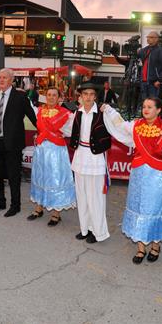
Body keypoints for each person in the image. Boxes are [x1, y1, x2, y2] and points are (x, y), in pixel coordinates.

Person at [102, 96, 162, 263]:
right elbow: (119, 124)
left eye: (149, 107)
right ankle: (141, 248)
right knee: (139, 206)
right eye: (144, 106)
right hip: (139, 174)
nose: (145, 109)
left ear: (158, 110)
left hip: (159, 176)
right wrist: (109, 111)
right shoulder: (135, 125)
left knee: (156, 209)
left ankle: (155, 246)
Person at [0, 68, 37, 217]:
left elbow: (32, 116)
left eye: (4, 78)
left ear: (11, 80)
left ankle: (15, 206)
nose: (1, 80)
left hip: (13, 143)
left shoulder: (20, 97)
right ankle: (0, 202)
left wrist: (43, 131)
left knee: (13, 176)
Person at [69, 82, 112, 243]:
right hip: (80, 157)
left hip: (96, 159)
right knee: (82, 196)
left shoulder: (103, 113)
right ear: (80, 96)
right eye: (84, 94)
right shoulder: (77, 113)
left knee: (96, 198)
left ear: (95, 97)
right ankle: (85, 229)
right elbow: (68, 129)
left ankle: (98, 232)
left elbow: (117, 126)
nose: (87, 97)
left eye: (91, 94)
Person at [27, 87, 76, 226]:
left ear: (60, 98)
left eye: (54, 95)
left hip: (56, 150)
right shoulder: (40, 111)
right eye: (49, 95)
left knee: (55, 179)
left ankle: (56, 213)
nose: (51, 97)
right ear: (45, 96)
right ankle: (39, 207)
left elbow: (70, 132)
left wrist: (55, 133)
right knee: (40, 177)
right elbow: (40, 128)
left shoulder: (66, 114)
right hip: (42, 150)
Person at [137, 31, 162, 101]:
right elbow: (137, 56)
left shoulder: (160, 51)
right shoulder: (145, 50)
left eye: (151, 37)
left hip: (153, 83)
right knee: (145, 104)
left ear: (156, 39)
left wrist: (159, 80)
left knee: (153, 103)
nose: (148, 39)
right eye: (147, 37)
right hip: (144, 82)